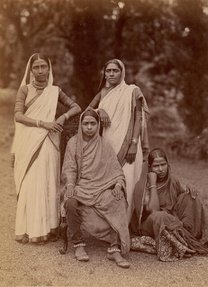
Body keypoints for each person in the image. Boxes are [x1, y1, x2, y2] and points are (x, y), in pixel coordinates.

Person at [12, 53, 81, 244]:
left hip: (49, 142)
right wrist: (44, 123)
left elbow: (76, 107)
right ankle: (29, 229)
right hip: (30, 140)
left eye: (44, 66)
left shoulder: (55, 91)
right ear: (31, 70)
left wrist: (62, 118)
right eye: (36, 67)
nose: (40, 71)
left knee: (47, 182)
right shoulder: (25, 90)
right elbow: (18, 116)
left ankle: (47, 229)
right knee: (31, 183)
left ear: (49, 68)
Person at [61, 108, 130, 268]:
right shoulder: (73, 143)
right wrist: (70, 185)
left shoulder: (104, 144)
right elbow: (69, 168)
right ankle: (78, 245)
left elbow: (116, 170)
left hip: (101, 187)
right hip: (80, 186)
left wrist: (118, 185)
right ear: (81, 125)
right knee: (70, 202)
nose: (89, 127)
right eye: (86, 123)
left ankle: (114, 249)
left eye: (93, 123)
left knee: (118, 199)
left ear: (98, 124)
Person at [88, 59, 150, 222]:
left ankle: (126, 226)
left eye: (115, 70)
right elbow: (87, 111)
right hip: (107, 144)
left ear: (122, 72)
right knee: (109, 183)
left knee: (127, 183)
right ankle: (109, 226)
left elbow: (138, 117)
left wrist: (134, 144)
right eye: (108, 71)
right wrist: (99, 110)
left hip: (129, 144)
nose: (111, 74)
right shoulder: (103, 93)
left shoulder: (132, 91)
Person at [130, 148, 208, 261]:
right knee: (161, 216)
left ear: (168, 164)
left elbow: (181, 201)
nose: (161, 169)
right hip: (151, 224)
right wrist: (152, 184)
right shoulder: (142, 187)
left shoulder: (172, 180)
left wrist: (190, 190)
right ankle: (186, 241)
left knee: (192, 198)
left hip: (171, 220)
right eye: (156, 166)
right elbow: (154, 210)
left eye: (163, 164)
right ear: (150, 167)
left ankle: (187, 237)